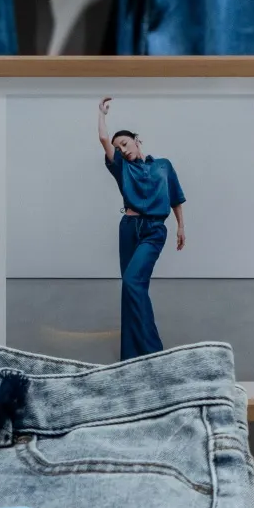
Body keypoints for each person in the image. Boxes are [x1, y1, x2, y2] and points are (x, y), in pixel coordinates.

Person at [98, 97, 187, 360]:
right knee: (132, 287)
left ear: (137, 140)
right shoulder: (121, 168)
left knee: (132, 281)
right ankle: (132, 355)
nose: (123, 150)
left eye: (125, 144)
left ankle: (152, 350)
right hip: (128, 229)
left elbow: (175, 198)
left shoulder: (163, 166)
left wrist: (181, 227)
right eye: (118, 148)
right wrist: (101, 114)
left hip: (154, 230)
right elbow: (104, 139)